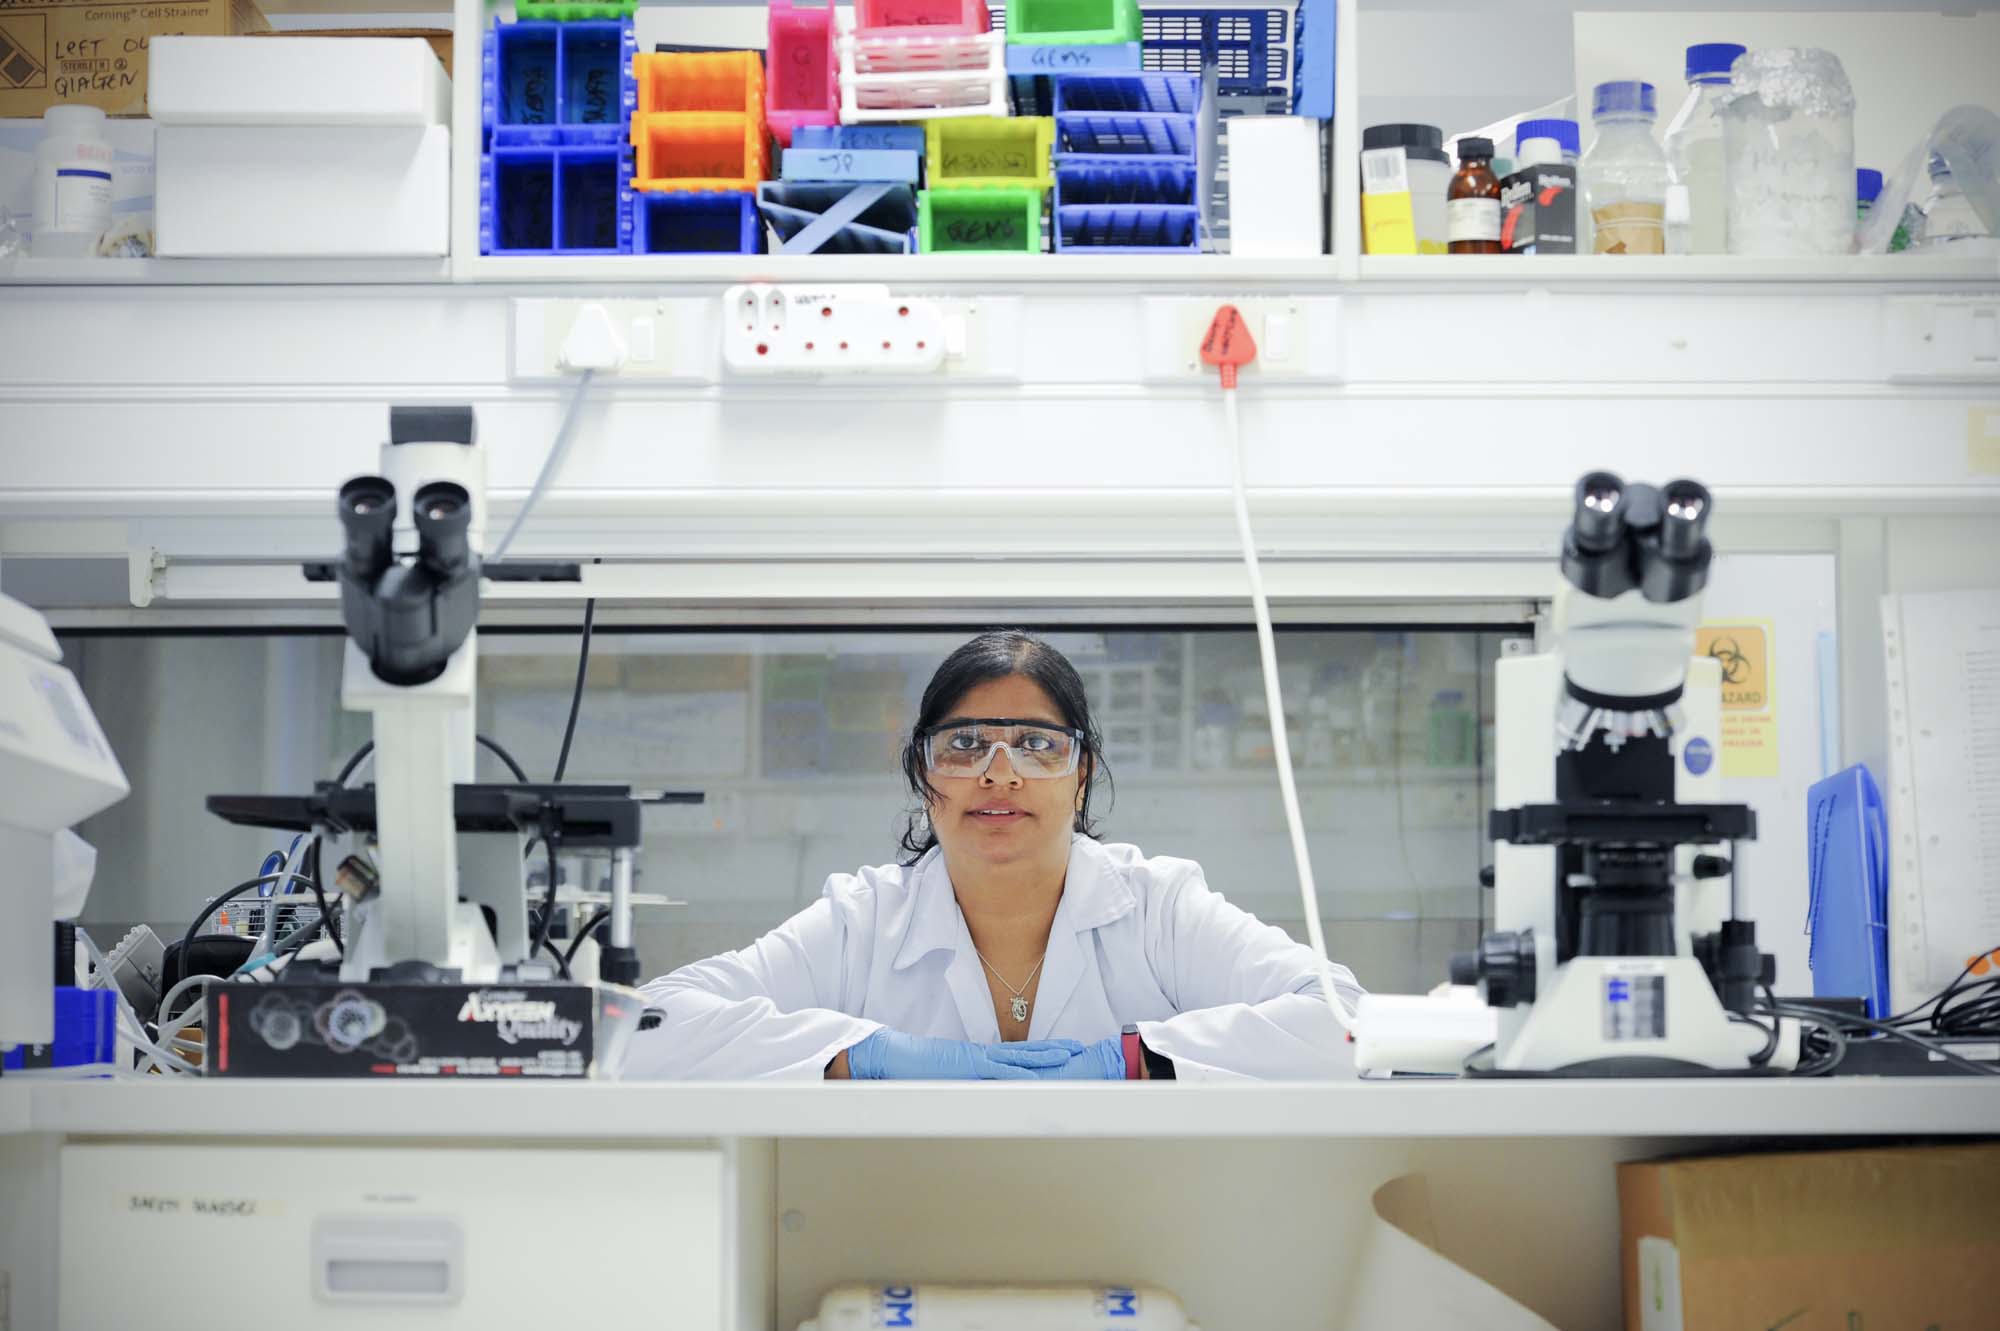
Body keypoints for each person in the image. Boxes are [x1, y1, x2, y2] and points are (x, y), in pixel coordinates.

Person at [626, 630, 1364, 1081]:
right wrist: (861, 1055)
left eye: (1038, 744)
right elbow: (642, 1028)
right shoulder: (863, 922)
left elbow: (1344, 1023)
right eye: (965, 743)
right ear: (924, 776)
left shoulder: (1156, 908)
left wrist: (1138, 1061)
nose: (999, 772)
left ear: (1081, 777)